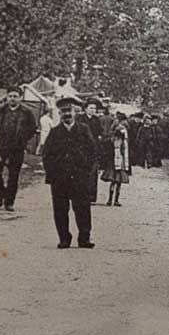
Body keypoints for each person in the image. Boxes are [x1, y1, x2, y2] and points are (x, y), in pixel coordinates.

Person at [42, 97, 96, 249]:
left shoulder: (84, 129)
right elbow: (46, 155)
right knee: (60, 209)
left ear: (75, 112)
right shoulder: (54, 133)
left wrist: (87, 171)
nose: (67, 114)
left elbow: (92, 151)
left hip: (80, 177)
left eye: (69, 111)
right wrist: (52, 174)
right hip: (60, 179)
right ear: (59, 113)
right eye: (63, 111)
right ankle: (64, 238)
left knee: (83, 208)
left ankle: (84, 238)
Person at [0, 86, 37, 211]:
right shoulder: (0, 111)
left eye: (15, 96)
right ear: (7, 97)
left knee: (13, 176)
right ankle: (1, 195)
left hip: (17, 148)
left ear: (20, 98)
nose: (12, 99)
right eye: (10, 96)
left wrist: (23, 139)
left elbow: (33, 128)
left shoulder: (27, 112)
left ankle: (9, 202)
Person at [77, 98, 103, 203]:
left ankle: (91, 197)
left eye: (94, 108)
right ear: (86, 109)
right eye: (91, 108)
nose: (93, 110)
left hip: (93, 149)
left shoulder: (96, 120)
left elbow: (99, 134)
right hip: (82, 148)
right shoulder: (80, 118)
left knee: (92, 173)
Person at [101, 122, 131, 206]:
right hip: (117, 161)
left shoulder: (115, 140)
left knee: (116, 181)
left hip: (117, 161)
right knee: (116, 181)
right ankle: (113, 200)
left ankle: (112, 200)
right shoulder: (118, 141)